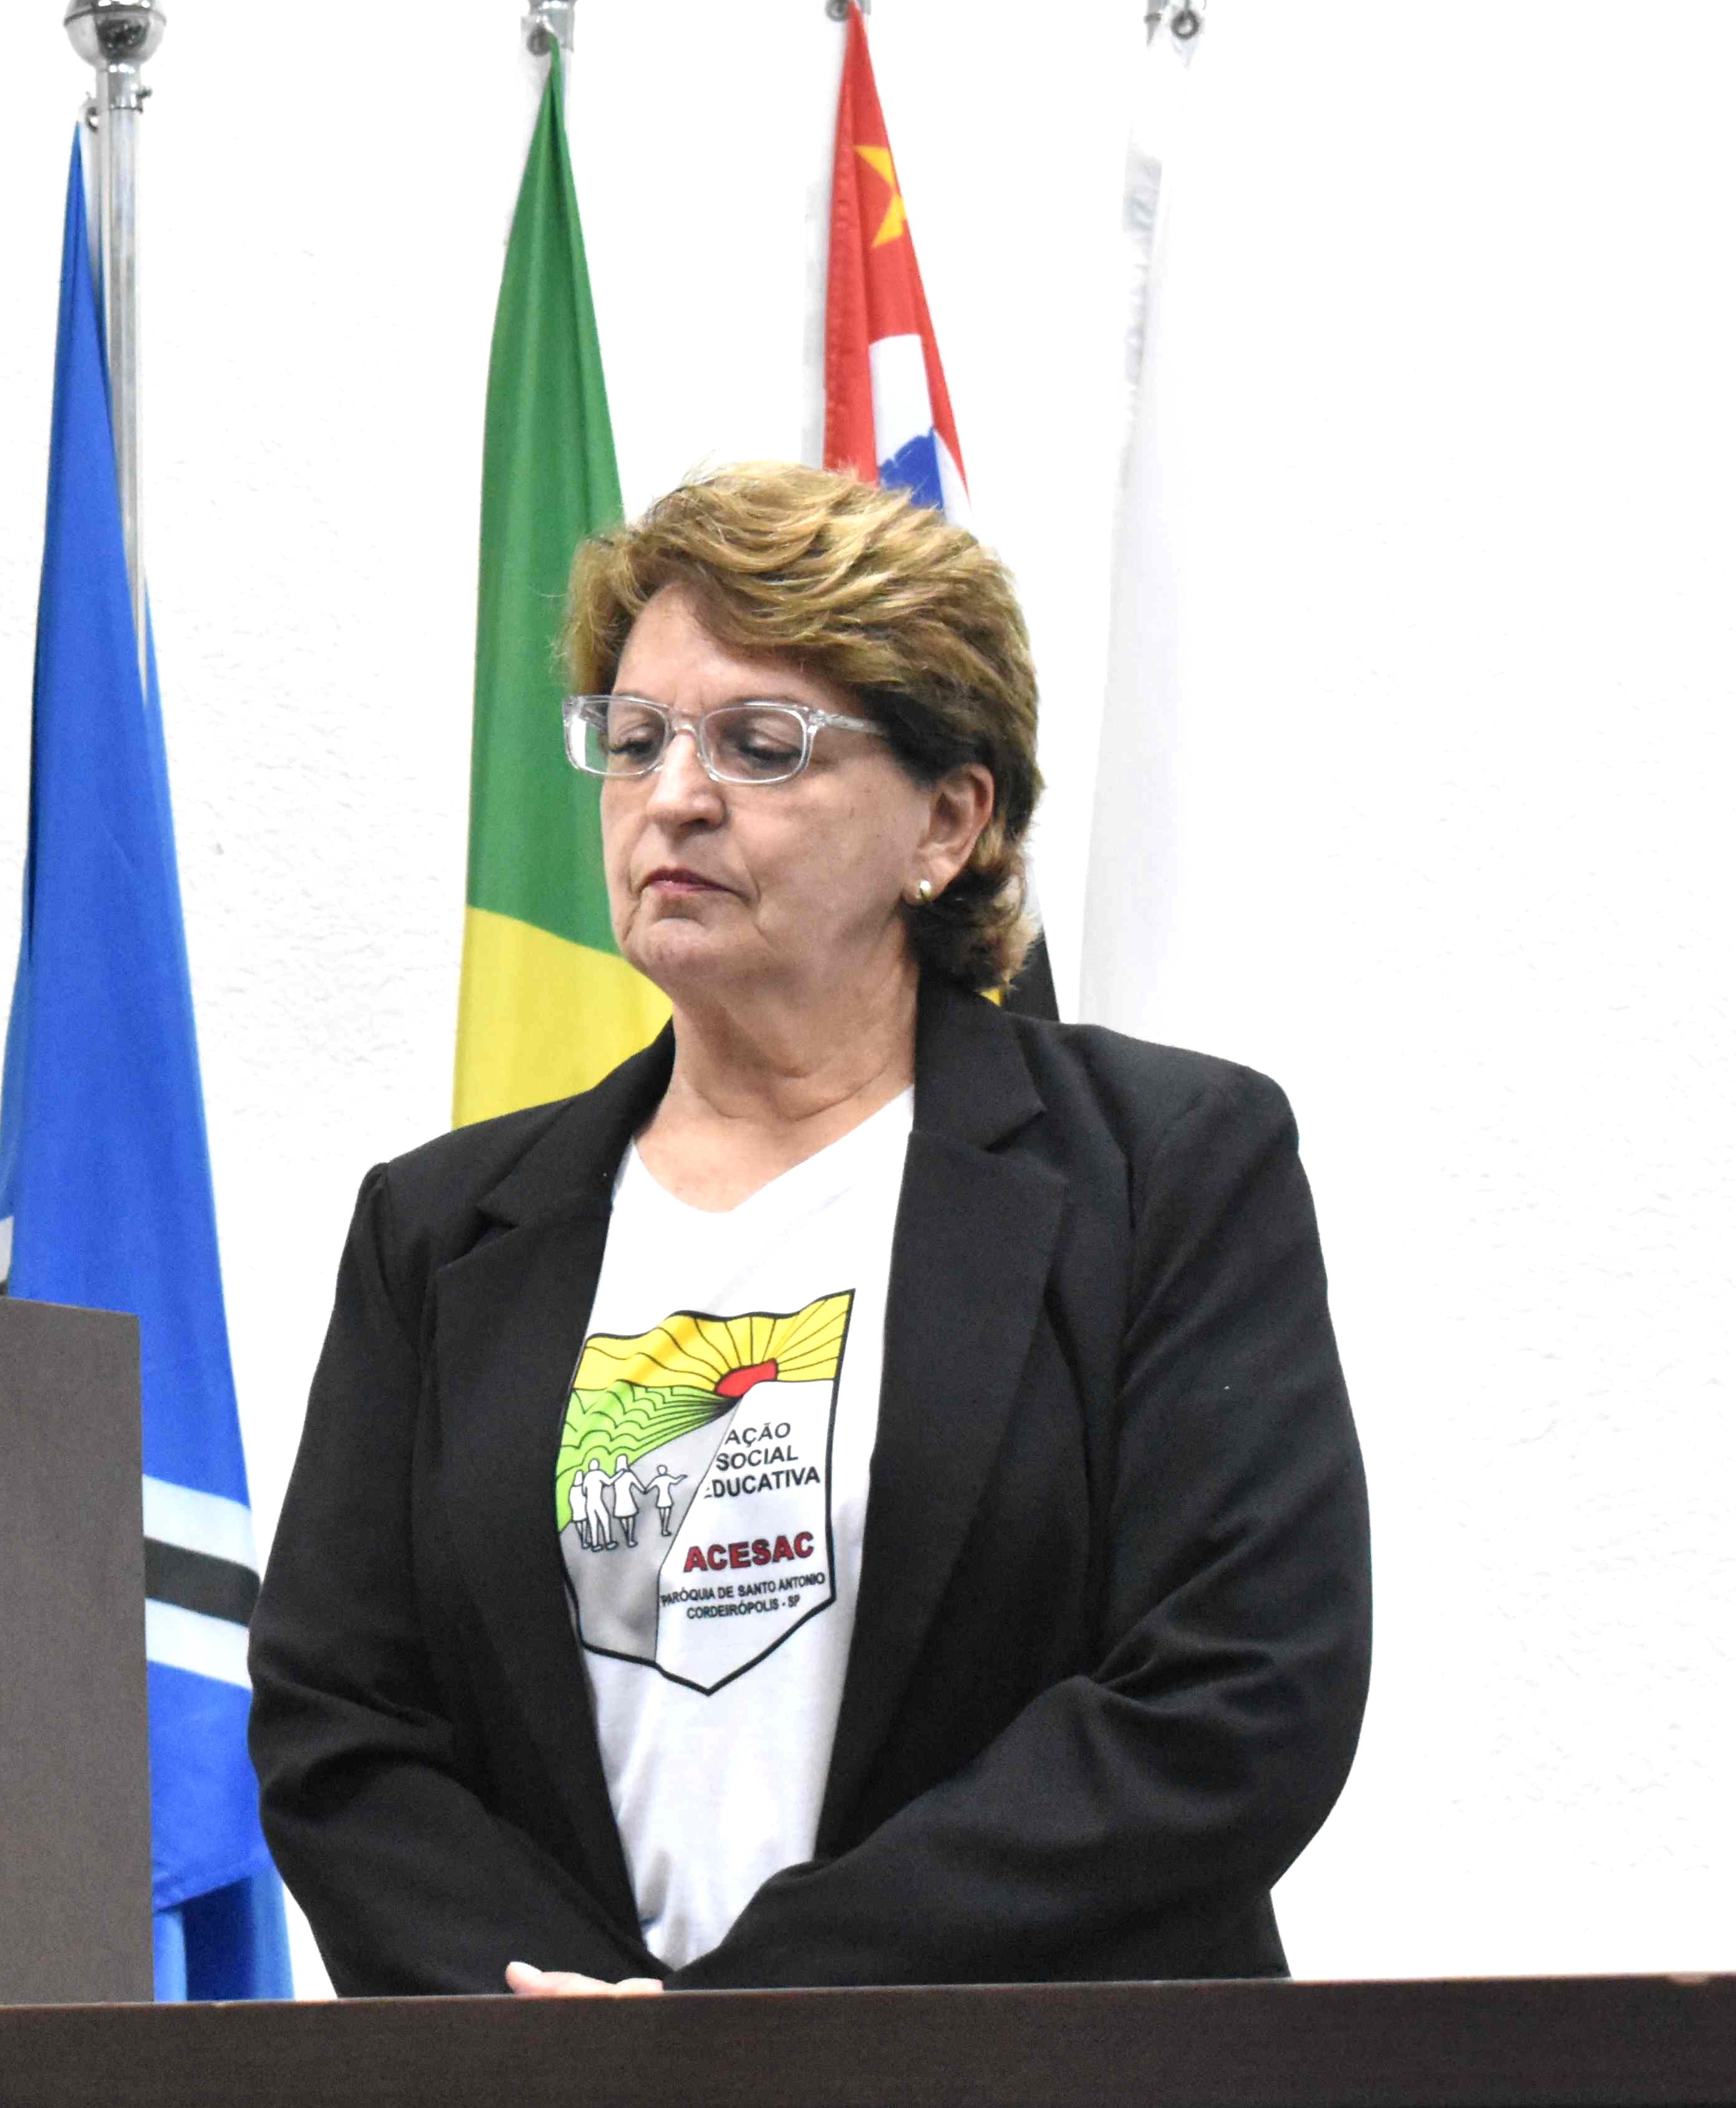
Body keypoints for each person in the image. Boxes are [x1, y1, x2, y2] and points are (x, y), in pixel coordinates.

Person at [248, 464, 1369, 1993]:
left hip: (1047, 2082)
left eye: (760, 743)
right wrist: (569, 2033)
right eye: (635, 740)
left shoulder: (1163, 1168)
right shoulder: (440, 1232)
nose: (674, 795)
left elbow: (1238, 1690)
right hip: (564, 2092)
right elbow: (344, 1723)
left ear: (949, 819)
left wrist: (757, 2016)